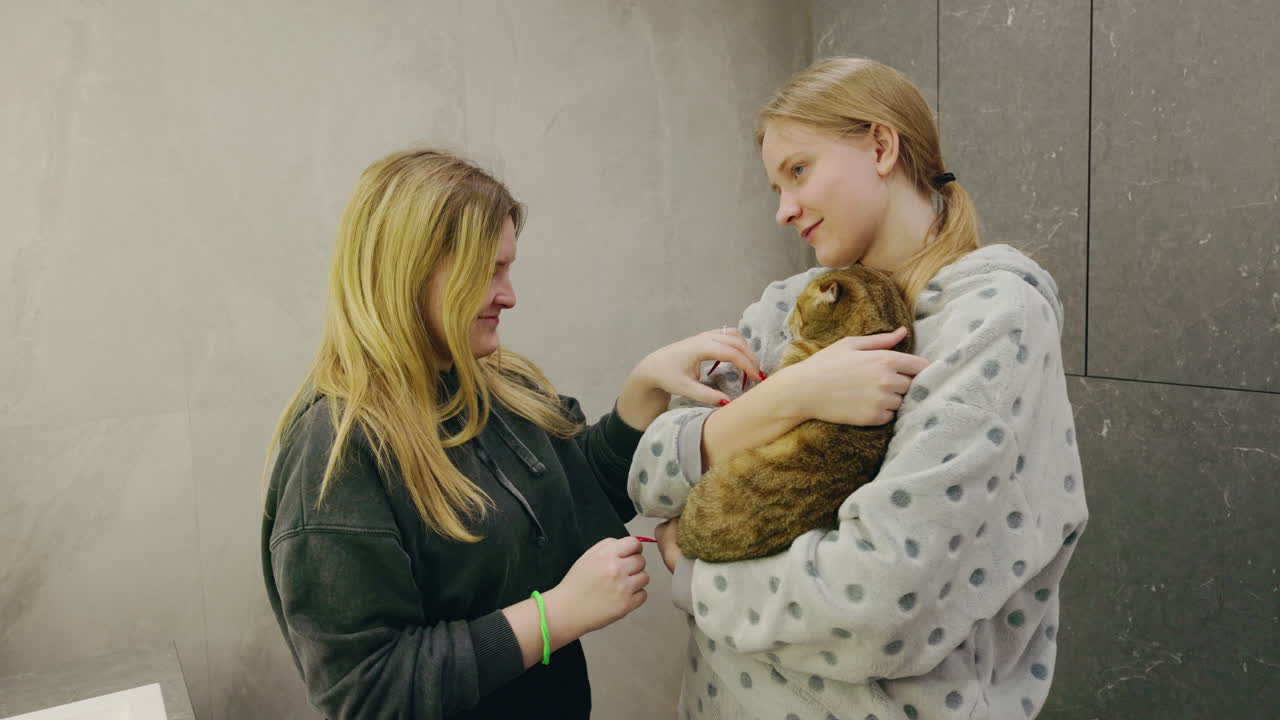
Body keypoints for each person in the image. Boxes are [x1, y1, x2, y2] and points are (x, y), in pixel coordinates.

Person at [631, 57, 1089, 720]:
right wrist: (790, 396)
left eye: (798, 171)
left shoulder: (994, 319)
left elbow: (876, 604)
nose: (784, 211)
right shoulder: (792, 304)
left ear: (880, 146)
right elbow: (651, 477)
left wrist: (695, 571)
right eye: (775, 188)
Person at [260, 149, 765, 719]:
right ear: (411, 271)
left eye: (508, 269)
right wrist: (554, 617)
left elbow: (578, 494)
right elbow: (368, 689)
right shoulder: (336, 450)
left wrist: (646, 386)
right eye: (488, 271)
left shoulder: (495, 384)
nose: (509, 295)